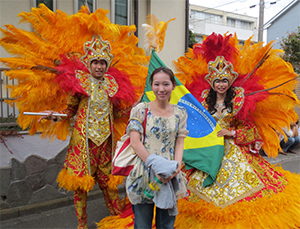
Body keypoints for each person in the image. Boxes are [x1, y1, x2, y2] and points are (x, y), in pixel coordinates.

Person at [171, 33, 300, 229]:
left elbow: (253, 132)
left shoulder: (239, 101)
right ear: (211, 83)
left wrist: (233, 134)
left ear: (230, 81)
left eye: (224, 80)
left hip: (236, 154)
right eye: (217, 81)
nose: (221, 84)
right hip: (210, 150)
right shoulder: (204, 101)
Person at [39, 36, 138, 229]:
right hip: (83, 144)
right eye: (95, 62)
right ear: (89, 64)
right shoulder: (80, 83)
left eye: (102, 63)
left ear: (107, 65)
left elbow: (116, 113)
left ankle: (116, 220)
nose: (99, 66)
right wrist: (53, 115)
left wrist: (135, 107)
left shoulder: (112, 85)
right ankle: (82, 225)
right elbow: (69, 111)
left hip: (106, 143)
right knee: (80, 186)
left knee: (108, 184)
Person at [126, 66, 189, 229]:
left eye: (166, 84)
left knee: (166, 225)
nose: (161, 89)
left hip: (168, 177)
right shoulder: (140, 109)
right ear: (151, 85)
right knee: (142, 224)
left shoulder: (180, 113)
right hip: (144, 176)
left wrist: (175, 168)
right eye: (157, 84)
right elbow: (135, 142)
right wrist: (156, 166)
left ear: (173, 86)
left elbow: (179, 142)